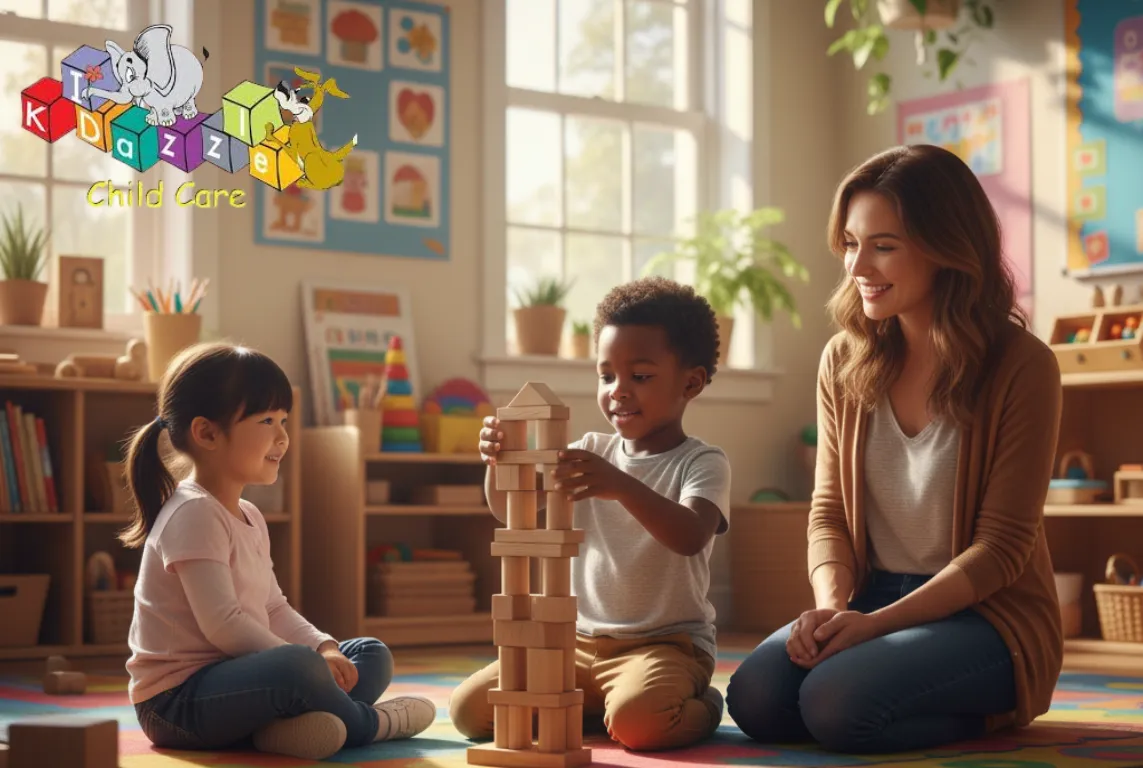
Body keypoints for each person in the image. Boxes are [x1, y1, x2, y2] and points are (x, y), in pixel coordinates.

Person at [726, 144, 1064, 754]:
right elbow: (827, 509)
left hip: (987, 616)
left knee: (834, 706)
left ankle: (994, 712)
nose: (859, 267)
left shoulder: (1022, 366)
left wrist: (875, 629)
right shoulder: (844, 359)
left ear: (947, 247)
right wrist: (832, 612)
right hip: (871, 596)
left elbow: (1002, 550)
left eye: (883, 246)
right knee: (756, 698)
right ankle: (877, 688)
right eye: (851, 244)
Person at [449, 277, 733, 751]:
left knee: (641, 725)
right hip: (574, 644)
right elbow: (509, 513)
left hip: (664, 646)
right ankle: (594, 706)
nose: (618, 391)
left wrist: (621, 485)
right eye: (606, 376)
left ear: (691, 382)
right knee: (470, 711)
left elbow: (690, 535)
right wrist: (499, 464)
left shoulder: (702, 462)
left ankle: (702, 705)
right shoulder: (589, 450)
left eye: (639, 376)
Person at [121, 342, 436, 761]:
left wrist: (324, 646)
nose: (283, 437)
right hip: (177, 705)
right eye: (267, 420)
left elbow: (272, 607)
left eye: (284, 420)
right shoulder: (193, 513)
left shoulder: (248, 514)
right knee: (295, 668)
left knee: (367, 654)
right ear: (207, 433)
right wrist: (308, 662)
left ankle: (282, 727)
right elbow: (225, 626)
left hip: (236, 682)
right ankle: (366, 724)